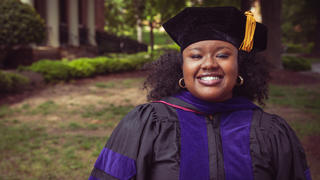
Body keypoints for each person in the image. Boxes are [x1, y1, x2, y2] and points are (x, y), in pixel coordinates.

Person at [89, 7, 312, 180]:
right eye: (196, 56)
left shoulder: (271, 132)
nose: (209, 64)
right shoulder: (146, 124)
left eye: (223, 55)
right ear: (181, 67)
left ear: (240, 66)